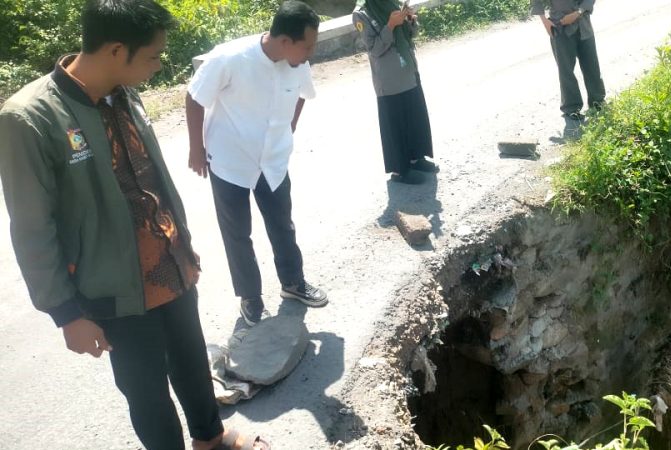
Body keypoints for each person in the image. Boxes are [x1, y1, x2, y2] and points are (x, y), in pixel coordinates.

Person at [0, 1, 269, 449]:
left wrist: (182, 244)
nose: (159, 65)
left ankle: (210, 439)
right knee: (147, 392)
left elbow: (150, 178)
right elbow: (31, 227)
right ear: (115, 50)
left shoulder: (125, 91)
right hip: (114, 288)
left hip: (171, 266)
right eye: (153, 56)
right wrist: (66, 314)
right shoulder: (30, 118)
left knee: (191, 362)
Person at [186, 0, 328, 326]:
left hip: (274, 162)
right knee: (237, 233)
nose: (311, 52)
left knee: (282, 224)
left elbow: (303, 94)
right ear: (285, 41)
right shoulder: (230, 58)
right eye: (307, 46)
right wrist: (196, 148)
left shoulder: (298, 63)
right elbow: (194, 97)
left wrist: (289, 128)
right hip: (230, 162)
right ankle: (250, 297)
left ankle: (293, 283)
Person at [354, 0, 438, 185]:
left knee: (415, 118)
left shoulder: (393, 4)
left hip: (408, 71)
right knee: (395, 125)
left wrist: (410, 20)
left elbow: (411, 34)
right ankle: (400, 170)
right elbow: (375, 49)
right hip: (389, 80)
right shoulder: (361, 14)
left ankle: (417, 158)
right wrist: (390, 25)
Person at [532, 0, 606, 120]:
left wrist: (578, 13)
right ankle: (571, 108)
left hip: (584, 25)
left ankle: (597, 101)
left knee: (592, 66)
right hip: (560, 28)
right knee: (566, 71)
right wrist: (544, 21)